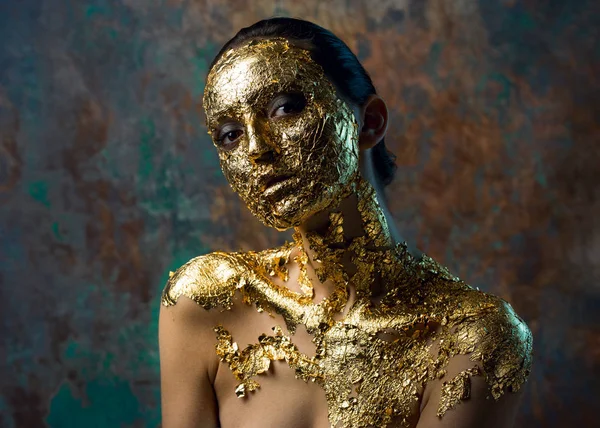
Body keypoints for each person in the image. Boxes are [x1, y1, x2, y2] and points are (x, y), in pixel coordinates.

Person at [158, 17, 532, 428]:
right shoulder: (207, 303)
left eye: (285, 108)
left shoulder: (472, 339)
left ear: (369, 122)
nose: (256, 149)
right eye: (229, 134)